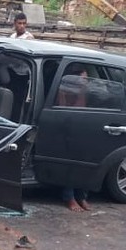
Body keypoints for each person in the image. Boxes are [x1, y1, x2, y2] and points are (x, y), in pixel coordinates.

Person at [56, 64, 91, 211]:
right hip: (62, 129)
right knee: (71, 160)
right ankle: (69, 197)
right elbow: (66, 111)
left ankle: (81, 195)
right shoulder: (62, 91)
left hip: (79, 128)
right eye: (83, 79)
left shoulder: (84, 93)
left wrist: (82, 92)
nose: (85, 82)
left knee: (85, 160)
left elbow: (82, 110)